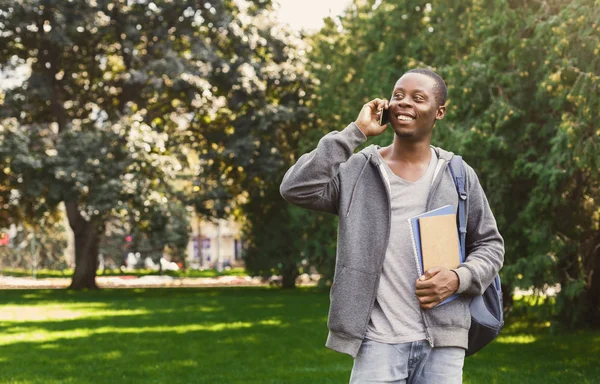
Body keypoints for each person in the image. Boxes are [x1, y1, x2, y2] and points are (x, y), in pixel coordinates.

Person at [280, 68, 504, 383]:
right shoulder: (359, 170)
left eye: (418, 97)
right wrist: (355, 131)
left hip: (442, 342)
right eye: (397, 95)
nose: (404, 103)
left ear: (439, 112)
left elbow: (490, 245)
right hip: (376, 341)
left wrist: (458, 278)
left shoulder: (457, 174)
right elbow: (296, 188)